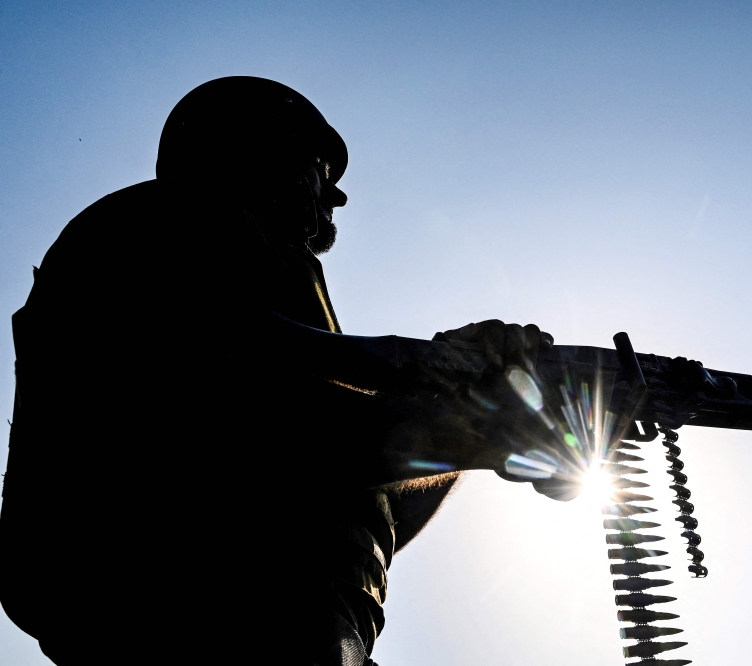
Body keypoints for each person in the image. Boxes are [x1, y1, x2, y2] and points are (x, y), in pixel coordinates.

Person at [0, 76, 562, 666]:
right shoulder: (154, 222)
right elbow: (255, 426)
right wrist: (459, 392)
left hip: (308, 632)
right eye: (321, 166)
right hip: (185, 616)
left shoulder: (278, 272)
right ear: (255, 144)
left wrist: (479, 423)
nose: (336, 195)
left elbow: (359, 501)